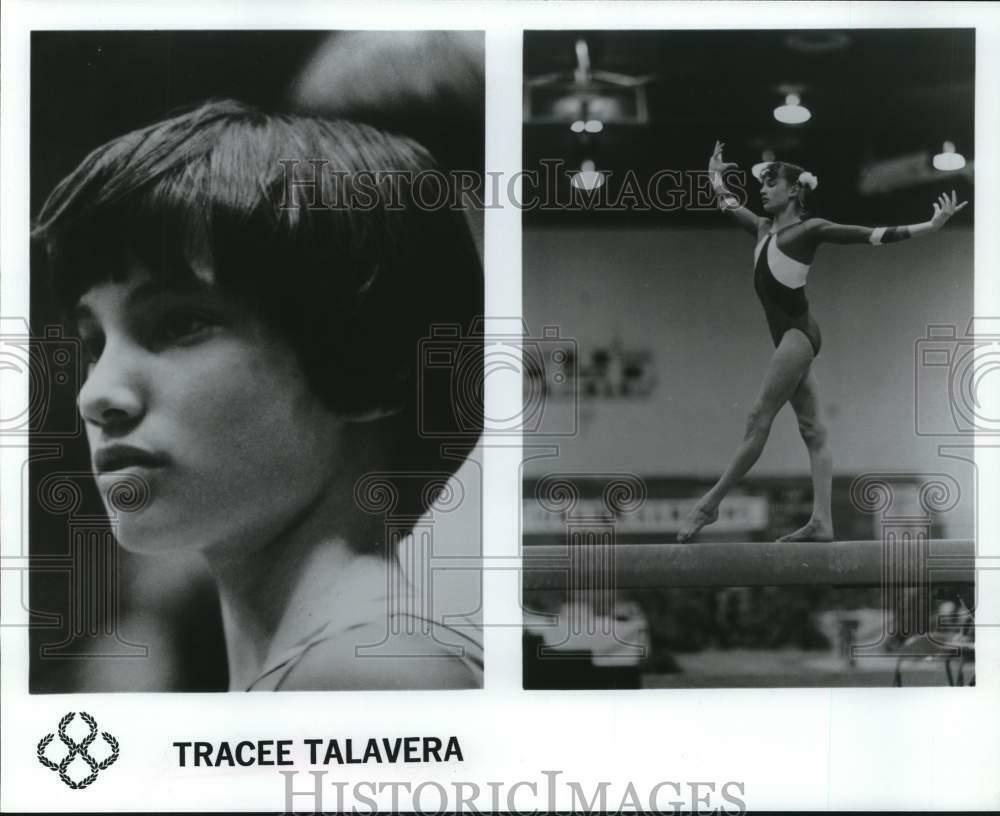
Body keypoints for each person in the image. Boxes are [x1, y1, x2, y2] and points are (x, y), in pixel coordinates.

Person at [33, 99, 484, 690]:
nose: (98, 394)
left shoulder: (362, 670)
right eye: (94, 342)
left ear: (369, 359)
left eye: (178, 324)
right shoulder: (327, 660)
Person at [677, 141, 967, 544]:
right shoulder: (762, 230)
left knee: (758, 418)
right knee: (813, 431)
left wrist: (929, 226)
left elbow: (869, 235)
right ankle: (821, 522)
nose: (762, 189)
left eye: (771, 182)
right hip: (789, 337)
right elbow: (726, 203)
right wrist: (713, 175)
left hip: (798, 335)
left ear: (794, 189)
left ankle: (709, 505)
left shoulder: (808, 230)